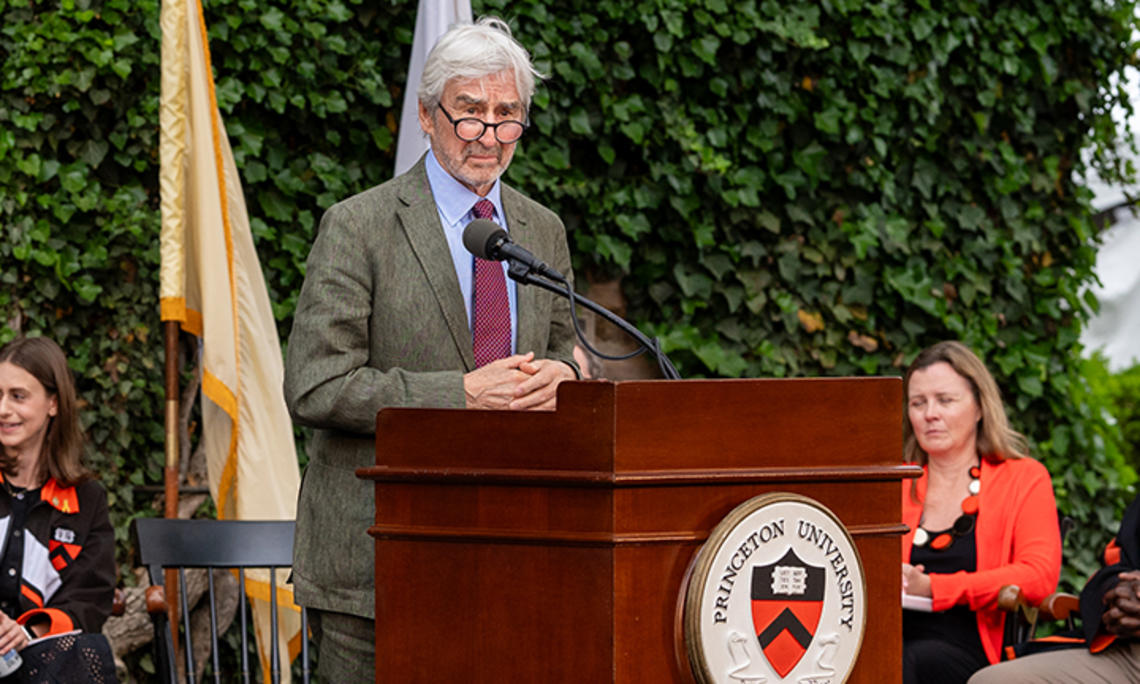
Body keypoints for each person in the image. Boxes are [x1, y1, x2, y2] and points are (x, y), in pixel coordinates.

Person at [283, 17, 578, 681]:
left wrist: (564, 374)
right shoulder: (358, 226)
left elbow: (566, 349)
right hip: (377, 565)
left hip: (515, 553)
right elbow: (315, 384)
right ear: (426, 114)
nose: (490, 136)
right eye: (470, 113)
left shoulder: (541, 229)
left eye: (508, 116)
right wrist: (460, 395)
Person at [900, 341, 1062, 684]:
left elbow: (1038, 576)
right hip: (883, 634)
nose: (930, 413)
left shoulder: (1023, 477)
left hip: (971, 651)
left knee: (907, 661)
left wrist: (933, 587)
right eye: (918, 403)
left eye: (945, 400)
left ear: (979, 407)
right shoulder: (894, 480)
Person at [0, 336, 116, 677]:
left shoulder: (87, 500)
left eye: (18, 396)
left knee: (83, 652)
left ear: (53, 403)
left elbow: (90, 595)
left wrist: (25, 632)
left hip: (44, 659)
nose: (3, 408)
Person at [967, 493, 1140, 683]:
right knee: (993, 680)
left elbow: (1035, 575)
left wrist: (935, 588)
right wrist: (1122, 595)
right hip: (1130, 655)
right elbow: (1116, 566)